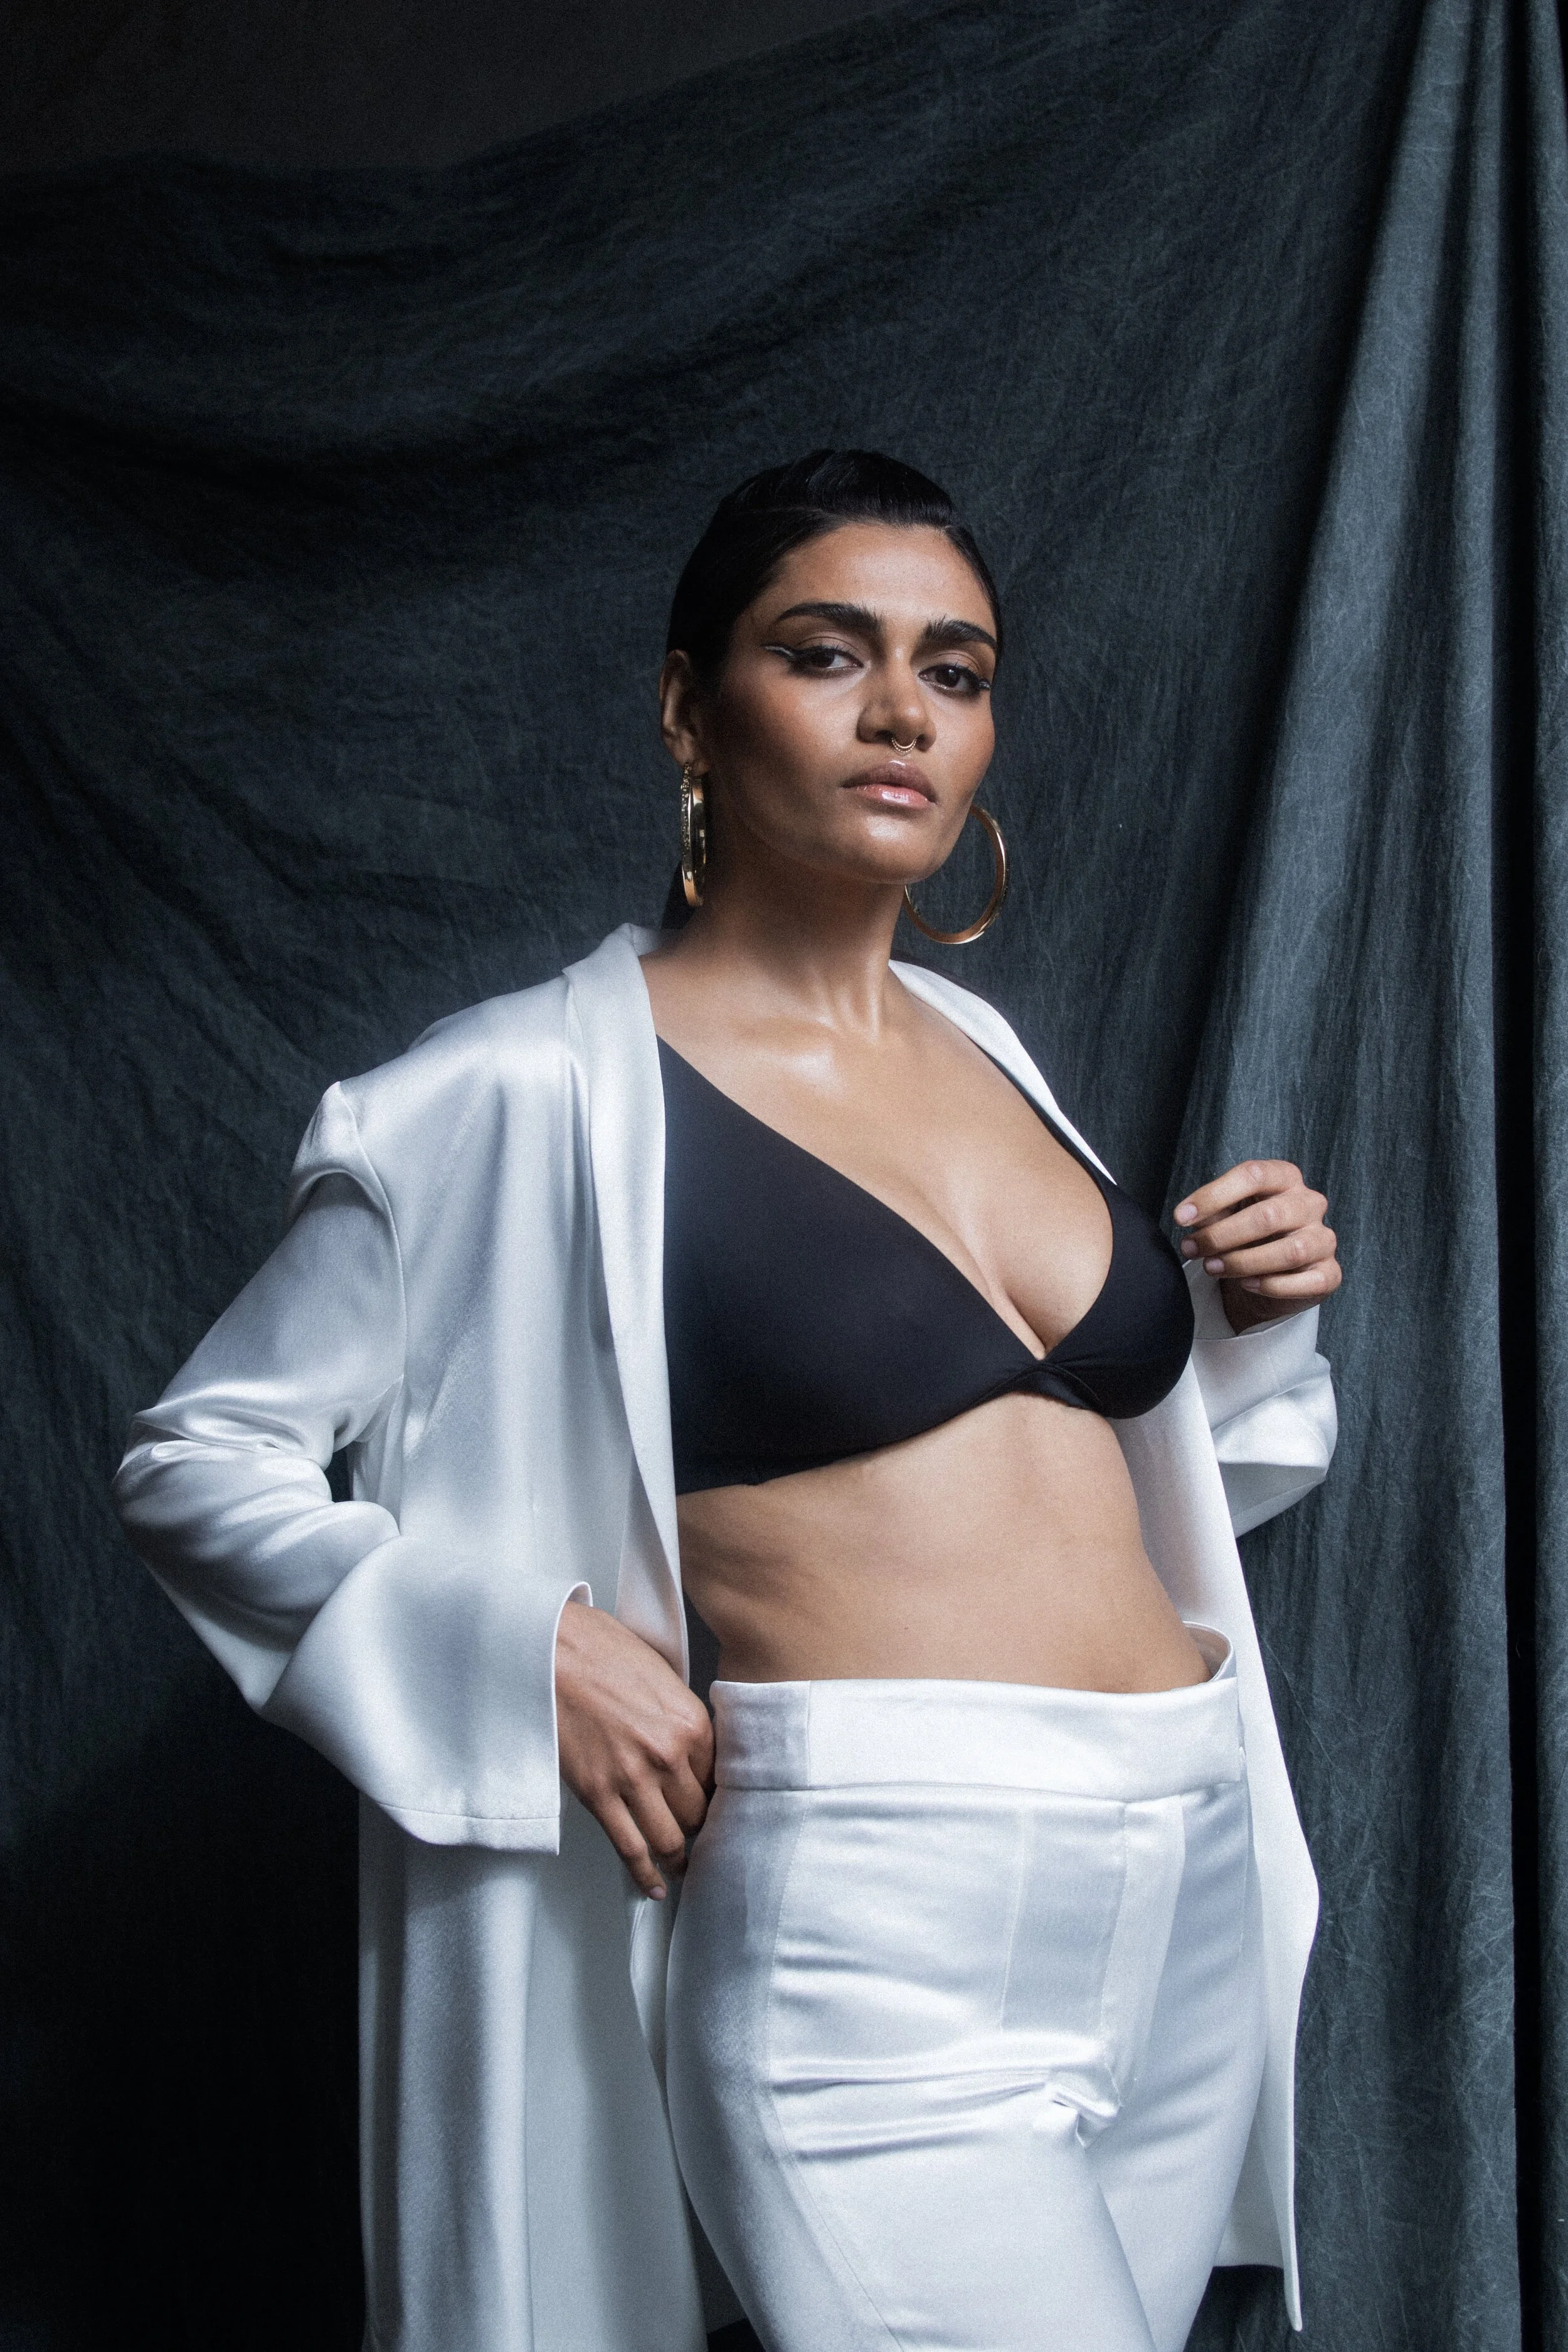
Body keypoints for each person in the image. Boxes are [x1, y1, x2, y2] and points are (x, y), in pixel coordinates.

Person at [113, 450, 1340, 2352]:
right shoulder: (506, 1093)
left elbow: (1084, 1476)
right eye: (825, 653)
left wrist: (1238, 1317)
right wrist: (528, 1649)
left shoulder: (988, 1051)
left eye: (954, 667)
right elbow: (199, 1457)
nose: (898, 713)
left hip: (1171, 1889)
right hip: (872, 1938)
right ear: (691, 706)